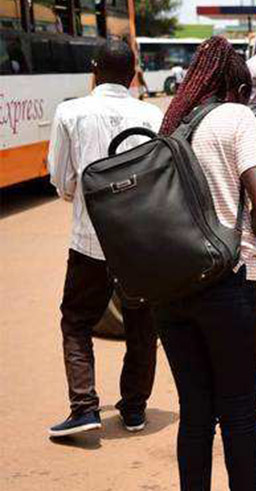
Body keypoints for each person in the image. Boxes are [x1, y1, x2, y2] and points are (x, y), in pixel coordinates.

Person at [157, 36, 256, 490]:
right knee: (239, 412)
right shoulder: (237, 118)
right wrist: (251, 237)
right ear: (236, 85)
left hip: (173, 289)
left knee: (195, 414)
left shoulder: (171, 123)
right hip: (230, 283)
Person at [47, 39, 162, 437]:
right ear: (133, 74)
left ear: (94, 71)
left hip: (89, 239)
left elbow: (62, 181)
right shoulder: (152, 115)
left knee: (76, 321)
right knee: (142, 326)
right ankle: (133, 409)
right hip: (142, 244)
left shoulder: (70, 112)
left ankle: (84, 407)